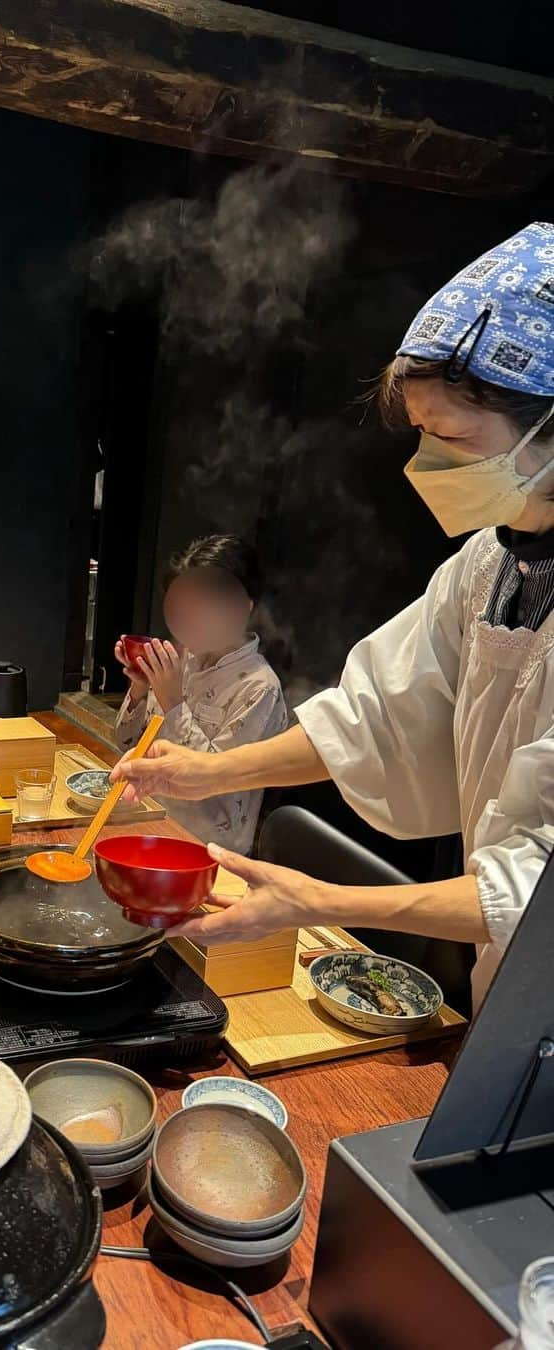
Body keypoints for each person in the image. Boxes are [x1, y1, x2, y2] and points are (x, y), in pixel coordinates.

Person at [112, 221, 554, 1008]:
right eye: (422, 437)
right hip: (509, 979)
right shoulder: (487, 565)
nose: (428, 466)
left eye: (451, 437)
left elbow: (536, 887)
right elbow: (370, 719)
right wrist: (202, 768)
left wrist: (319, 901)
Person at [113, 534, 287, 854]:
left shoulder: (260, 687)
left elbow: (212, 787)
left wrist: (172, 701)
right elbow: (126, 745)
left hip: (208, 850)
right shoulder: (184, 660)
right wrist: (140, 686)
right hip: (152, 823)